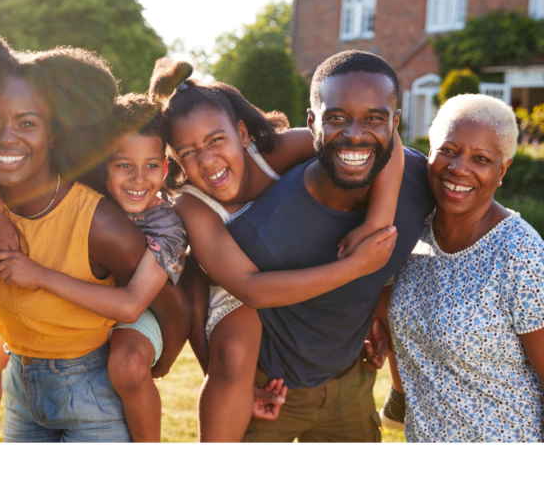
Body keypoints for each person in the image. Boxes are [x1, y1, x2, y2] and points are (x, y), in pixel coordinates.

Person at [149, 56, 404, 443]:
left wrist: (374, 225)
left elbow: (381, 142)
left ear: (242, 133)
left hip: (302, 266)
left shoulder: (277, 152)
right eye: (188, 151)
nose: (207, 160)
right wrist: (354, 267)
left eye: (216, 140)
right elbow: (249, 287)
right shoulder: (193, 203)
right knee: (234, 354)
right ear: (175, 159)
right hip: (237, 288)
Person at [0, 38, 155, 444]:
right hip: (21, 387)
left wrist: (147, 365)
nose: (6, 138)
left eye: (27, 123)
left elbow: (168, 300)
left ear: (54, 135)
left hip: (93, 394)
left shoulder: (100, 224)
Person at [223, 50, 436, 444]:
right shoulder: (260, 228)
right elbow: (209, 306)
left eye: (374, 118)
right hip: (271, 391)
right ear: (311, 122)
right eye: (336, 117)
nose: (356, 134)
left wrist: (381, 311)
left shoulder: (419, 182)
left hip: (352, 384)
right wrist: (234, 384)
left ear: (395, 123)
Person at [0, 94, 191, 444]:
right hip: (79, 312)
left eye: (151, 166)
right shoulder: (86, 191)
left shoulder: (166, 227)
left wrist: (38, 275)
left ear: (165, 168)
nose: (139, 180)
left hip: (140, 304)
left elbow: (132, 305)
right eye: (124, 166)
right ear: (103, 165)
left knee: (128, 365)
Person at [388, 94, 544, 444]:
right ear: (429, 151)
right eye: (448, 150)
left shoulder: (519, 252)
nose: (459, 168)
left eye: (481, 159)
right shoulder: (414, 231)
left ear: (502, 171)